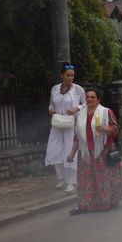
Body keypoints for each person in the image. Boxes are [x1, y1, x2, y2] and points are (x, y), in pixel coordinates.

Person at [66, 88, 122, 214]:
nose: (89, 99)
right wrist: (71, 153)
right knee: (85, 180)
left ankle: (105, 202)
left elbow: (115, 129)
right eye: (87, 97)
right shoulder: (81, 115)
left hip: (102, 151)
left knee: (103, 178)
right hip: (85, 152)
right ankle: (85, 205)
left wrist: (106, 129)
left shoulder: (106, 112)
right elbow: (77, 137)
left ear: (98, 99)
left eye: (92, 97)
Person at [45, 64, 85, 193]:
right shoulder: (55, 89)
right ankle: (61, 178)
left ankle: (72, 181)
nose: (70, 78)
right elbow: (51, 104)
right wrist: (51, 110)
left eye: (72, 75)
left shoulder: (78, 89)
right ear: (61, 75)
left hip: (71, 124)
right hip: (57, 123)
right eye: (67, 75)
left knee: (69, 150)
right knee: (55, 150)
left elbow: (86, 103)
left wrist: (76, 108)